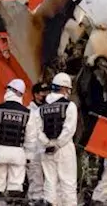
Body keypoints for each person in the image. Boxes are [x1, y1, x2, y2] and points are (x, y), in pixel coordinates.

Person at [0, 79, 36, 203]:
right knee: (16, 185)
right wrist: (29, 156)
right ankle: (14, 198)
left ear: (11, 91)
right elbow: (31, 137)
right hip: (18, 153)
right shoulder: (28, 113)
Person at [37, 72, 79, 206]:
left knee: (50, 182)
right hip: (64, 149)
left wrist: (47, 144)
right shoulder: (69, 106)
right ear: (65, 88)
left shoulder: (41, 109)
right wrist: (58, 145)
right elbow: (69, 130)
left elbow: (37, 130)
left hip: (46, 149)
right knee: (68, 183)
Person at [26, 81, 51, 205]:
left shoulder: (49, 109)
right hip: (32, 148)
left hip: (47, 147)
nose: (45, 95)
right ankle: (34, 199)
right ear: (35, 94)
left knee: (48, 176)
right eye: (43, 92)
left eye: (47, 92)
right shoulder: (28, 110)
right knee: (35, 175)